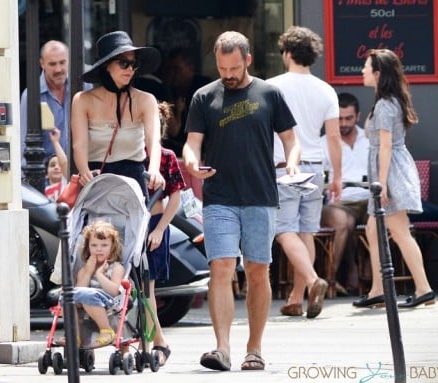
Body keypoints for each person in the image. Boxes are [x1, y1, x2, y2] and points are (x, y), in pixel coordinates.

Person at [183, 31, 300, 372]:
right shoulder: (204, 97)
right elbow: (192, 143)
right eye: (222, 67)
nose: (228, 74)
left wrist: (292, 160)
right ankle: (221, 348)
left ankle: (254, 348)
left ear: (248, 60)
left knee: (257, 271)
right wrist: (191, 162)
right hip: (219, 196)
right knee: (220, 267)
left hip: (260, 195)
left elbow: (292, 139)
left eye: (234, 67)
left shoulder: (270, 93)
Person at [267, 26, 342, 318]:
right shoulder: (326, 89)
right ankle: (297, 298)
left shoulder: (272, 86)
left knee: (284, 231)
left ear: (286, 52)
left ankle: (312, 281)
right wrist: (336, 175)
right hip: (315, 168)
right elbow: (333, 138)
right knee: (306, 232)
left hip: (284, 166)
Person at [353, 49, 435, 309]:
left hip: (390, 173)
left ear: (377, 74)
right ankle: (378, 289)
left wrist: (383, 183)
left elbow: (386, 146)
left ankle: (423, 289)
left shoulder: (386, 105)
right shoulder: (385, 102)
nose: (362, 71)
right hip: (390, 170)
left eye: (366, 67)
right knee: (372, 230)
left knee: (399, 231)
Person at [72, 31, 165, 198]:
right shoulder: (82, 100)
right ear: (107, 65)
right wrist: (84, 171)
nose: (130, 69)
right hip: (96, 178)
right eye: (124, 63)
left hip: (133, 179)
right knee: (95, 225)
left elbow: (153, 140)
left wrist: (154, 169)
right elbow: (79, 144)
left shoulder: (145, 100)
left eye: (134, 64)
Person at [143, 102, 186, 366]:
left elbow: (176, 198)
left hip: (155, 224)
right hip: (133, 225)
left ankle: (155, 342)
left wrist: (159, 229)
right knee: (132, 289)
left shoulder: (167, 156)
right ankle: (152, 342)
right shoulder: (129, 154)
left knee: (147, 290)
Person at [320, 92, 369, 295]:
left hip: (367, 199)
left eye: (348, 118)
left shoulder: (369, 139)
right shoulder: (324, 143)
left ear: (357, 117)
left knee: (380, 222)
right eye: (339, 118)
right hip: (339, 202)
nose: (343, 123)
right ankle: (330, 280)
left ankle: (366, 275)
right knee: (345, 223)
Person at [20, 40, 90, 170]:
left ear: (69, 60)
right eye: (52, 64)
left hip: (79, 172)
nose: (58, 69)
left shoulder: (83, 87)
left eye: (62, 62)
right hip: (47, 177)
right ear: (42, 63)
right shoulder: (31, 95)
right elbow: (23, 145)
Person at [55, 220, 125, 348]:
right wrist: (88, 271)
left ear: (112, 247)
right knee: (67, 296)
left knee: (86, 295)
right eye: (94, 245)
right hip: (86, 300)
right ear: (88, 247)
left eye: (104, 245)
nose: (99, 249)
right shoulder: (85, 269)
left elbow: (115, 291)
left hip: (109, 302)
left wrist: (99, 274)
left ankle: (107, 330)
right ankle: (73, 336)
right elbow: (79, 291)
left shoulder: (116, 267)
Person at [161, 47, 212, 157]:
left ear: (190, 68)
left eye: (177, 69)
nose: (173, 74)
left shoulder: (204, 88)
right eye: (169, 69)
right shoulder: (168, 90)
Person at [43, 127, 68, 201]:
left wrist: (55, 142)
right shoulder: (42, 192)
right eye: (52, 165)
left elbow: (64, 163)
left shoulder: (66, 184)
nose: (56, 167)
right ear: (46, 174)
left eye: (59, 165)